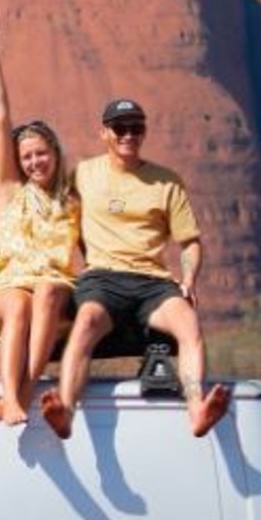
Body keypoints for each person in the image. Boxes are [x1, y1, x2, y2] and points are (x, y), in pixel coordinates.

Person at [40, 98, 230, 439]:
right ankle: (65, 411)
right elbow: (50, 213)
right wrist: (3, 238)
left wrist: (188, 280)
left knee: (189, 325)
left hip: (153, 283)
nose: (129, 135)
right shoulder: (83, 174)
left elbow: (189, 242)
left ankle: (197, 408)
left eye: (136, 128)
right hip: (102, 278)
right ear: (104, 133)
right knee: (86, 322)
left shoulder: (166, 182)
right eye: (120, 128)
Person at [0, 13, 80, 425]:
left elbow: (103, 241)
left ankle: (23, 393)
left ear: (55, 153)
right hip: (8, 283)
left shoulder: (73, 198)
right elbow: (1, 120)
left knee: (49, 290)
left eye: (41, 153)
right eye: (27, 156)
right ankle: (11, 398)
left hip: (55, 288)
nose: (35, 161)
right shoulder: (10, 190)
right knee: (18, 304)